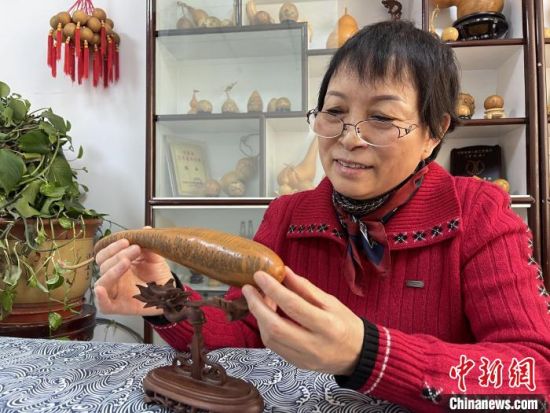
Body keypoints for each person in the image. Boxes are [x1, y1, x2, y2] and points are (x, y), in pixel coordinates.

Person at [94, 20, 550, 412]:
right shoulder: (289, 214)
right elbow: (244, 334)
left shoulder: (479, 214)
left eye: (381, 117)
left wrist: (367, 354)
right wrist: (164, 298)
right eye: (335, 112)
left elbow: (535, 378)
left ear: (434, 132)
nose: (349, 138)